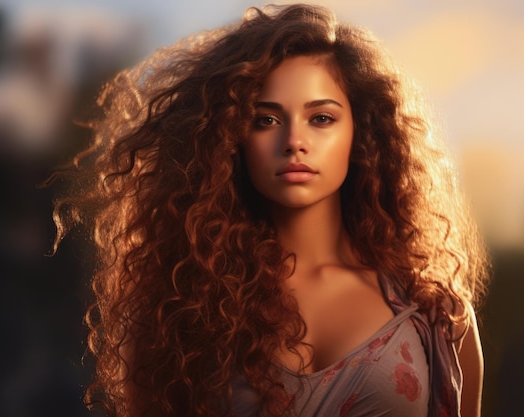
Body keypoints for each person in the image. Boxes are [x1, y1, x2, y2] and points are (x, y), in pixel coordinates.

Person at [49, 3, 489, 417]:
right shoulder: (180, 308)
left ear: (362, 131)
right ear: (230, 138)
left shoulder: (436, 316)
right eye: (266, 119)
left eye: (321, 118)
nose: (294, 141)